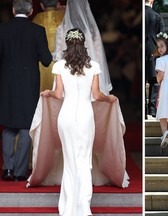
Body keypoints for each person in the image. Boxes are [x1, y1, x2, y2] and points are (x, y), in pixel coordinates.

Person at [40, 28, 117, 216]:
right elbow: (97, 95)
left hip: (65, 116)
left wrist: (48, 93)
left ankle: (67, 207)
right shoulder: (94, 66)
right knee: (84, 161)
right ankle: (83, 207)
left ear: (67, 43)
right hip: (84, 116)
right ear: (84, 44)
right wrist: (110, 99)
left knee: (70, 160)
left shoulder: (59, 65)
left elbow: (58, 94)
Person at [0, 0, 52, 181]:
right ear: (30, 12)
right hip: (29, 83)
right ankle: (20, 172)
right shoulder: (37, 31)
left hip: (7, 83)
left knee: (8, 125)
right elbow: (46, 59)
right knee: (25, 126)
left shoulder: (2, 29)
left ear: (13, 10)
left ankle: (7, 169)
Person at [53, 0, 112, 95]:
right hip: (89, 73)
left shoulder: (61, 29)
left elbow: (58, 56)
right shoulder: (92, 31)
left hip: (68, 74)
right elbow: (99, 56)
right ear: (86, 7)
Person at [32, 0, 65, 91]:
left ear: (42, 5)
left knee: (43, 96)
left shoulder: (36, 20)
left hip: (41, 64)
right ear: (58, 5)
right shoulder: (64, 18)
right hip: (62, 63)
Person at [145, 0, 165, 118]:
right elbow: (162, 36)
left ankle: (142, 110)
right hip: (154, 51)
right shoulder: (157, 16)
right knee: (154, 80)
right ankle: (152, 109)